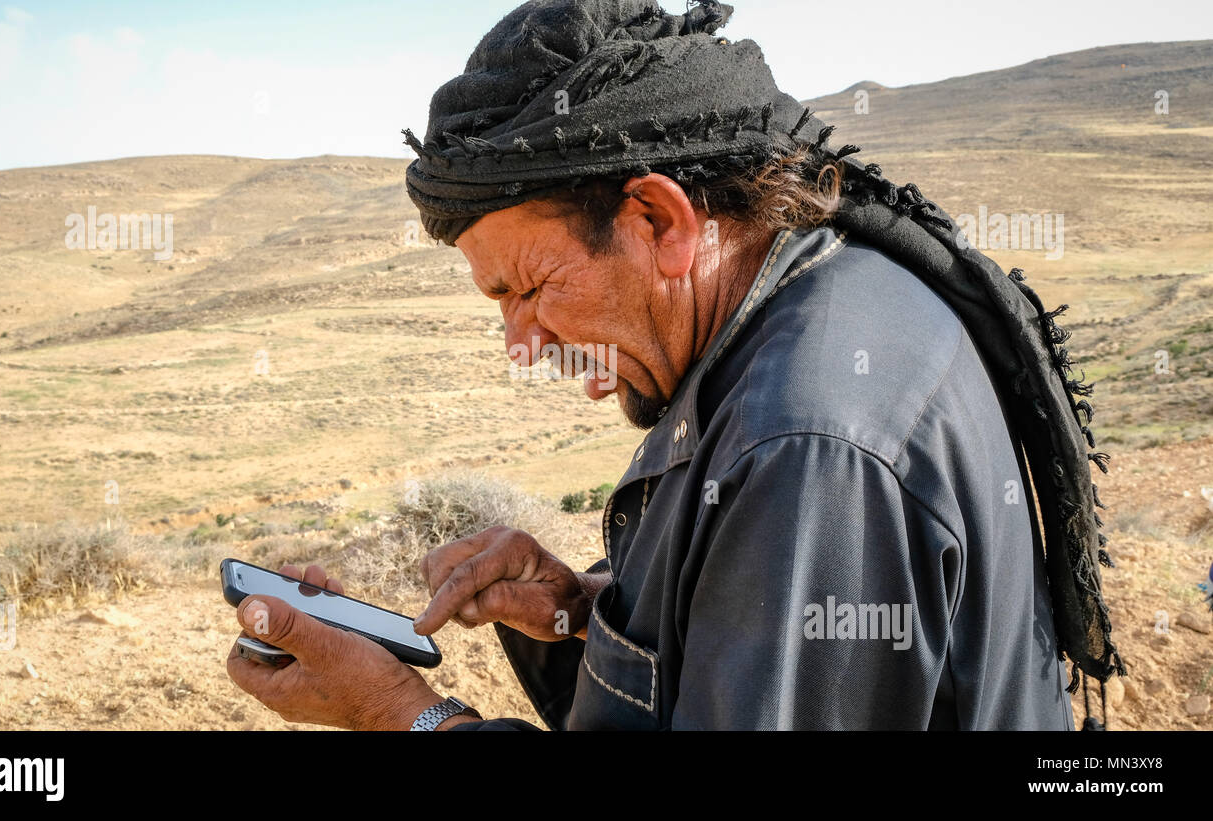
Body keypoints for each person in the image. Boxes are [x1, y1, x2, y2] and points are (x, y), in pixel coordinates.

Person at [227, 0, 1124, 730]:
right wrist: (576, 611)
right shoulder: (803, 316)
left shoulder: (807, 446)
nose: (520, 342)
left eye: (529, 288)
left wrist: (404, 716)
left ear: (661, 220)